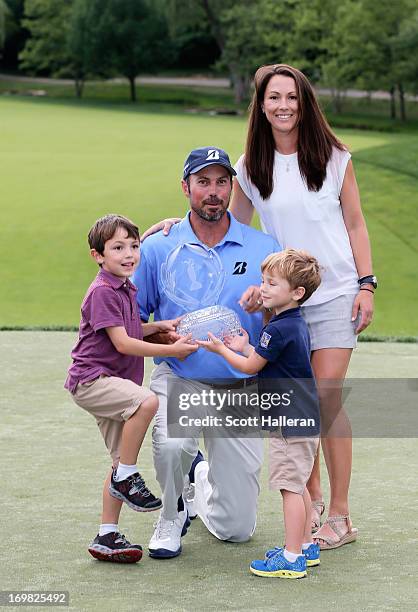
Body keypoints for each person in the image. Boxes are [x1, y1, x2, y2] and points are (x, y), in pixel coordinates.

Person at [142, 64, 376, 549]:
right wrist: (178, 220)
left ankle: (340, 514)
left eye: (292, 96)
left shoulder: (334, 157)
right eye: (274, 97)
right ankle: (309, 507)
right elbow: (233, 225)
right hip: (281, 304)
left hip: (331, 293)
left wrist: (367, 284)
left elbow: (354, 224)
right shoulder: (251, 165)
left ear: (304, 101)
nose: (284, 105)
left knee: (326, 401)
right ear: (262, 105)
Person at [132, 146, 281, 559]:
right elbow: (131, 321)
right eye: (202, 182)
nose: (212, 191)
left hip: (239, 384)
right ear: (186, 187)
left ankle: (199, 477)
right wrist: (165, 341)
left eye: (221, 182)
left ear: (232, 187)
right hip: (181, 376)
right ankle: (171, 511)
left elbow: (286, 313)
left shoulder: (263, 245)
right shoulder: (159, 246)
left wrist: (265, 307)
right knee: (174, 444)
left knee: (237, 530)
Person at [64, 214, 197, 563]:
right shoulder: (103, 291)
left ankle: (107, 534)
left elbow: (131, 328)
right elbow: (123, 343)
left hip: (111, 382)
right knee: (147, 402)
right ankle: (127, 475)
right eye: (118, 248)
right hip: (94, 380)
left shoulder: (124, 285)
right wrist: (171, 350)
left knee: (118, 457)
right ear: (98, 255)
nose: (129, 254)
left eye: (134, 246)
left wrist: (157, 328)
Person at [198, 249, 322, 579]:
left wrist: (221, 349)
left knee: (289, 487)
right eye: (263, 281)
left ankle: (292, 556)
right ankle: (307, 545)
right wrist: (242, 346)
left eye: (272, 283)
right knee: (300, 484)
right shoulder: (291, 323)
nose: (263, 289)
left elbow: (252, 367)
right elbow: (263, 356)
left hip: (288, 421)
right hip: (303, 416)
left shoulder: (277, 328)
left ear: (297, 293)